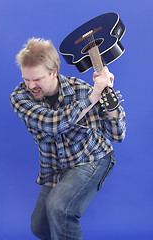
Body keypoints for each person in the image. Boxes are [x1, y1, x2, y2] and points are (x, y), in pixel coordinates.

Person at [10, 37, 126, 240]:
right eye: (26, 79)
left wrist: (110, 101)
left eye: (36, 79)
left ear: (53, 72)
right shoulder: (20, 98)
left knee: (59, 207)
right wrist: (91, 99)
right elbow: (52, 124)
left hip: (93, 159)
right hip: (56, 167)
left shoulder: (81, 89)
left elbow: (117, 135)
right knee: (39, 226)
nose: (30, 85)